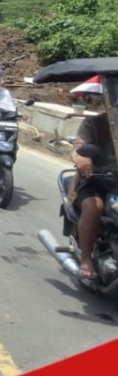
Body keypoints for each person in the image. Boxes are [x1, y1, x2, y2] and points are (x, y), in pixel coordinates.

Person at [70, 111, 117, 279]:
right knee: (94, 206)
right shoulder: (95, 123)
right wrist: (83, 160)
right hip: (95, 180)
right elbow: (78, 146)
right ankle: (86, 258)